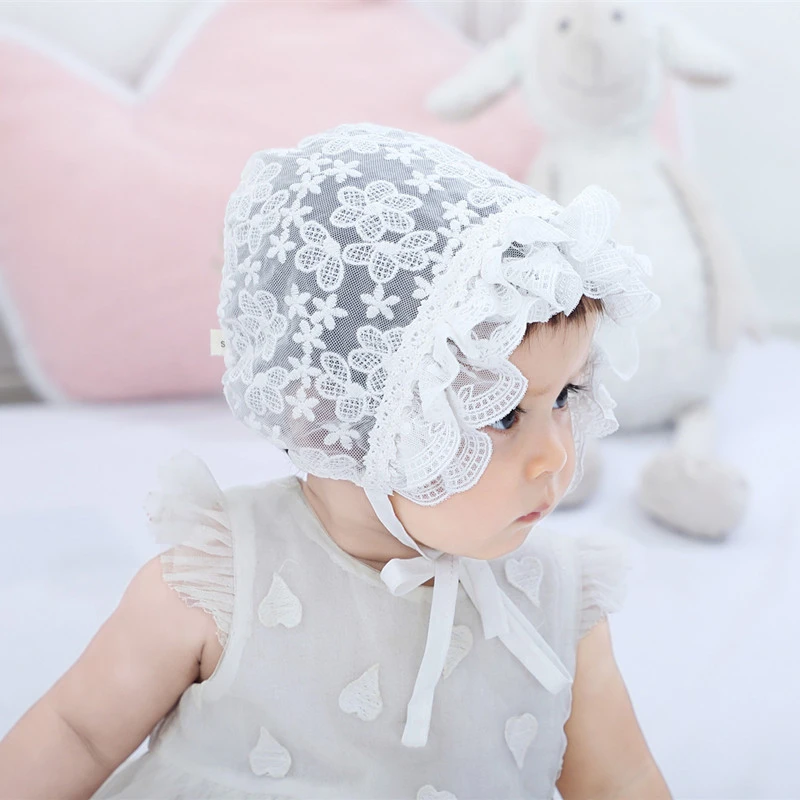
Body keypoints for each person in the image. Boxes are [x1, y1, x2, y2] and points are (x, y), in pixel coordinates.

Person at [0, 123, 672, 799]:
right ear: (338, 412)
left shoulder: (555, 602)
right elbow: (78, 733)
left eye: (566, 396)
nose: (556, 455)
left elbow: (622, 782)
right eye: (501, 413)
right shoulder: (223, 580)